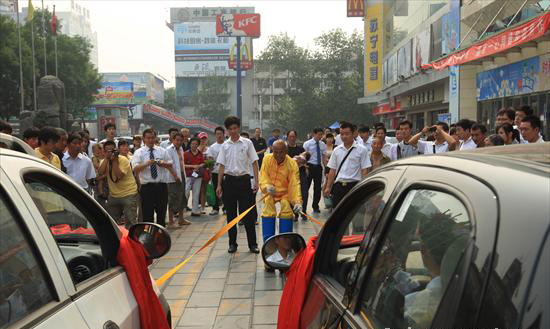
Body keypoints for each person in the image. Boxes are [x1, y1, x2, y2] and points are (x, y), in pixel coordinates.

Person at [215, 116, 260, 254]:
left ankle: (253, 244)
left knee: (248, 215)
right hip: (229, 182)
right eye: (230, 129)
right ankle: (232, 243)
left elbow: (254, 162)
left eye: (235, 128)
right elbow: (221, 166)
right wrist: (219, 185)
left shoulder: (247, 143)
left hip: (244, 181)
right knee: (231, 215)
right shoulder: (225, 146)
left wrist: (256, 182)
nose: (233, 131)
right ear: (227, 131)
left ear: (239, 128)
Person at [259, 140, 302, 243]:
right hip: (270, 192)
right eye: (275, 152)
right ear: (271, 150)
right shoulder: (267, 158)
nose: (278, 155)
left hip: (285, 193)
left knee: (286, 209)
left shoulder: (292, 164)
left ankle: (285, 243)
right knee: (267, 210)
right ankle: (268, 244)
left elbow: (294, 184)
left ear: (286, 151)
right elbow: (263, 175)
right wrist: (266, 187)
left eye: (281, 152)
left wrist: (297, 202)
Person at [324, 122, 371, 208]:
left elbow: (365, 170)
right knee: (338, 214)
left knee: (353, 214)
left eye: (347, 134)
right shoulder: (337, 150)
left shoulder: (362, 150)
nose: (344, 136)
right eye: (342, 134)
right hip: (338, 187)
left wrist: (363, 188)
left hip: (354, 186)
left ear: (353, 134)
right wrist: (328, 187)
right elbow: (332, 170)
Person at [132, 128, 173, 227]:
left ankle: (161, 235)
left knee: (161, 214)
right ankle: (148, 236)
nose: (150, 140)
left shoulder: (162, 151)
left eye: (152, 138)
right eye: (148, 138)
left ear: (155, 138)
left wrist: (163, 164)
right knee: (147, 215)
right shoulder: (139, 152)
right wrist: (147, 164)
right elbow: (135, 169)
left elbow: (170, 164)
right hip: (147, 187)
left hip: (161, 186)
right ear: (144, 139)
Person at [100, 140, 139, 228]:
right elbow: (100, 172)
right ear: (104, 152)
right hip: (114, 195)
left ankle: (132, 239)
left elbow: (119, 175)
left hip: (128, 193)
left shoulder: (123, 159)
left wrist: (114, 161)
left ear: (116, 150)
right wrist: (107, 158)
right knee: (112, 222)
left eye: (112, 151)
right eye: (107, 151)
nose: (110, 153)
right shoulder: (104, 160)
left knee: (131, 222)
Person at [166, 133, 190, 226]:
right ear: (173, 140)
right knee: (172, 198)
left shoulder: (181, 148)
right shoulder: (169, 150)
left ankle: (181, 219)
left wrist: (181, 176)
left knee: (181, 197)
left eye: (181, 140)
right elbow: (169, 165)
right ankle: (171, 221)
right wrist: (175, 176)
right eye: (177, 140)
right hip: (172, 178)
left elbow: (181, 163)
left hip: (181, 175)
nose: (179, 142)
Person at [302, 128, 327, 215]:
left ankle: (315, 206)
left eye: (321, 134)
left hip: (318, 167)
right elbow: (303, 156)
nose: (320, 136)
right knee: (306, 188)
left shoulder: (323, 144)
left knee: (317, 188)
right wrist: (305, 167)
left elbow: (324, 157)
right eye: (319, 134)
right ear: (314, 134)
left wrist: (326, 167)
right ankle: (303, 206)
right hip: (309, 166)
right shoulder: (307, 144)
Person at [286, 130, 307, 220]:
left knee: (304, 193)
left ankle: (303, 211)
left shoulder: (300, 149)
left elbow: (305, 160)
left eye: (294, 136)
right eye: (290, 136)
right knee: (291, 193)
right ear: (287, 137)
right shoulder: (284, 149)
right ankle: (294, 213)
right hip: (289, 174)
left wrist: (302, 161)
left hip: (301, 172)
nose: (292, 138)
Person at [206, 126, 225, 215]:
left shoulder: (227, 145)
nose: (219, 135)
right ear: (215, 135)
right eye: (217, 134)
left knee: (226, 190)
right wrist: (210, 171)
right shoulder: (212, 147)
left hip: (226, 172)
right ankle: (215, 208)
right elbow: (210, 160)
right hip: (215, 172)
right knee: (215, 190)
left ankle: (226, 208)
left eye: (220, 133)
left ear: (224, 134)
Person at [184, 137, 205, 217]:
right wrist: (193, 166)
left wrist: (199, 166)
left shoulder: (200, 153)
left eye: (196, 144)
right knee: (186, 192)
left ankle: (195, 210)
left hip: (198, 176)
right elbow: (183, 165)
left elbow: (203, 163)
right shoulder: (186, 153)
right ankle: (181, 209)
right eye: (193, 144)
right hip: (189, 176)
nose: (194, 145)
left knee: (196, 193)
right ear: (190, 144)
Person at [197, 132, 210, 214]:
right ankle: (195, 206)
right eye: (202, 138)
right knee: (196, 190)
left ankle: (202, 207)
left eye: (204, 138)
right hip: (196, 172)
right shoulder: (196, 148)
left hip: (205, 172)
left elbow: (210, 160)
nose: (203, 140)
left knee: (203, 190)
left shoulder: (209, 149)